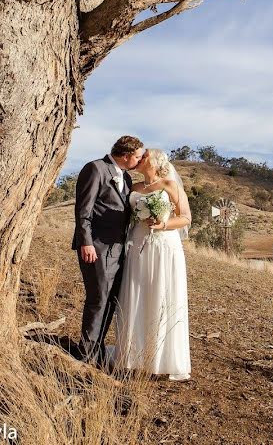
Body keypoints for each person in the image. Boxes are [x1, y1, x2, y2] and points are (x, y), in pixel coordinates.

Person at [114, 148, 192, 381]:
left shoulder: (170, 186)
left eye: (145, 155)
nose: (140, 158)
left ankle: (163, 358)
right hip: (138, 246)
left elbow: (186, 218)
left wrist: (163, 224)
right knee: (137, 295)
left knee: (162, 296)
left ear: (156, 162)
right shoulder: (134, 188)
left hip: (164, 247)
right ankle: (133, 357)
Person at [73, 135, 145, 365]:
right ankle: (86, 354)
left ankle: (97, 349)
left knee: (111, 301)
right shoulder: (96, 169)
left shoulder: (126, 176)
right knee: (97, 299)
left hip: (119, 249)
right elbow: (84, 210)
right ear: (126, 155)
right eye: (137, 156)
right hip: (97, 247)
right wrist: (86, 242)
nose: (139, 160)